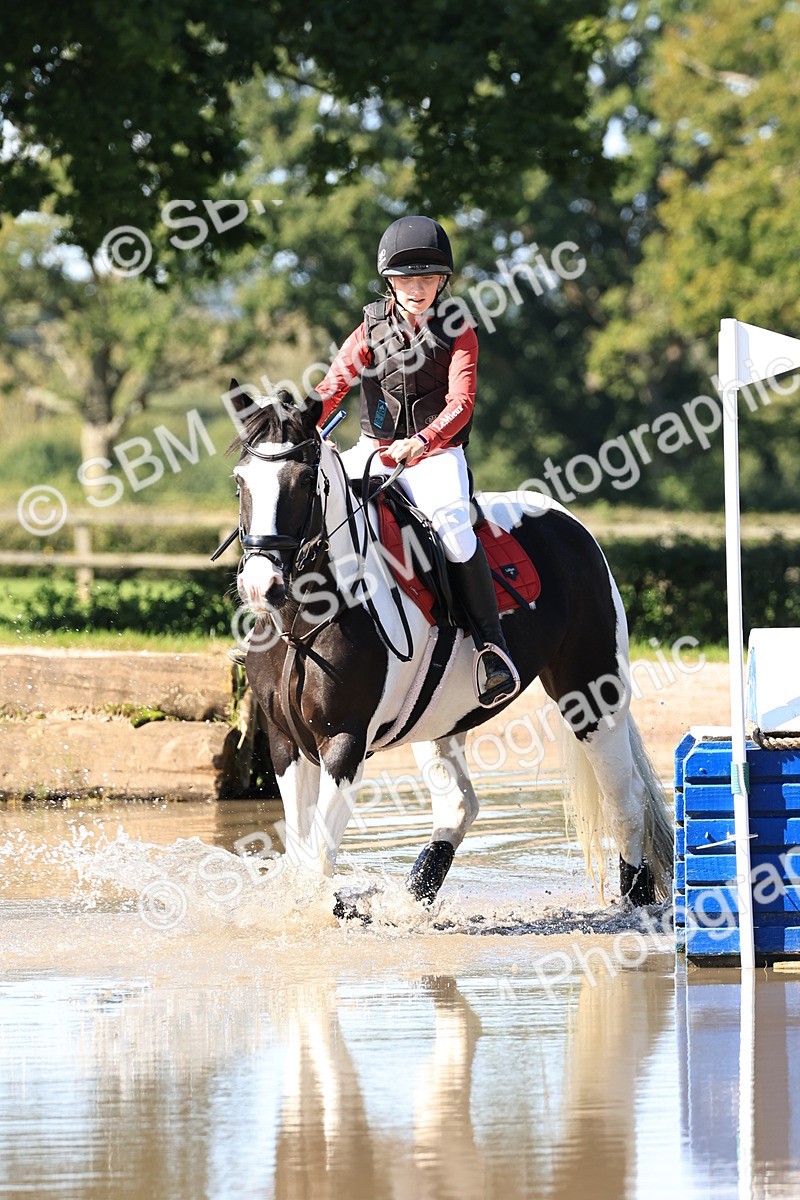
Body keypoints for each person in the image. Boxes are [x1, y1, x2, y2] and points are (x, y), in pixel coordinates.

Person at [312, 215, 519, 707]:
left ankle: (492, 648)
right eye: (407, 279)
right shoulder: (368, 330)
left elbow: (461, 403)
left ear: (442, 281)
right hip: (375, 448)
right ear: (390, 282)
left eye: (428, 278)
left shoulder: (458, 330)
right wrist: (297, 418)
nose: (417, 288)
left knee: (454, 530)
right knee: (318, 503)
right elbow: (332, 387)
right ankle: (283, 624)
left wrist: (422, 441)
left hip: (438, 456)